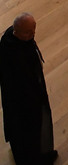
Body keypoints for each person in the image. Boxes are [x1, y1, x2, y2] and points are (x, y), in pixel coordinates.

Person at [0, 12, 57, 164]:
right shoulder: (16, 55)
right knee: (29, 129)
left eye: (34, 29)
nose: (33, 34)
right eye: (28, 32)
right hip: (24, 101)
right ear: (15, 31)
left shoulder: (9, 39)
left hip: (23, 96)